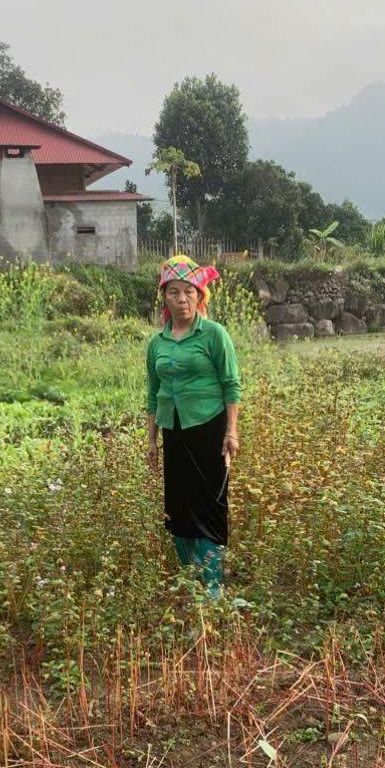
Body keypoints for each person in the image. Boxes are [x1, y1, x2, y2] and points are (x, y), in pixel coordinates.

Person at [146, 254, 241, 599]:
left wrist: (232, 431)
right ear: (165, 297)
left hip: (209, 430)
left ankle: (214, 585)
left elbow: (231, 384)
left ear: (200, 296)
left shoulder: (214, 335)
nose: (182, 299)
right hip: (174, 431)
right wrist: (152, 440)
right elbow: (153, 392)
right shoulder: (157, 343)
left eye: (188, 292)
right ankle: (191, 580)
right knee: (178, 505)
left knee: (210, 504)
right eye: (174, 292)